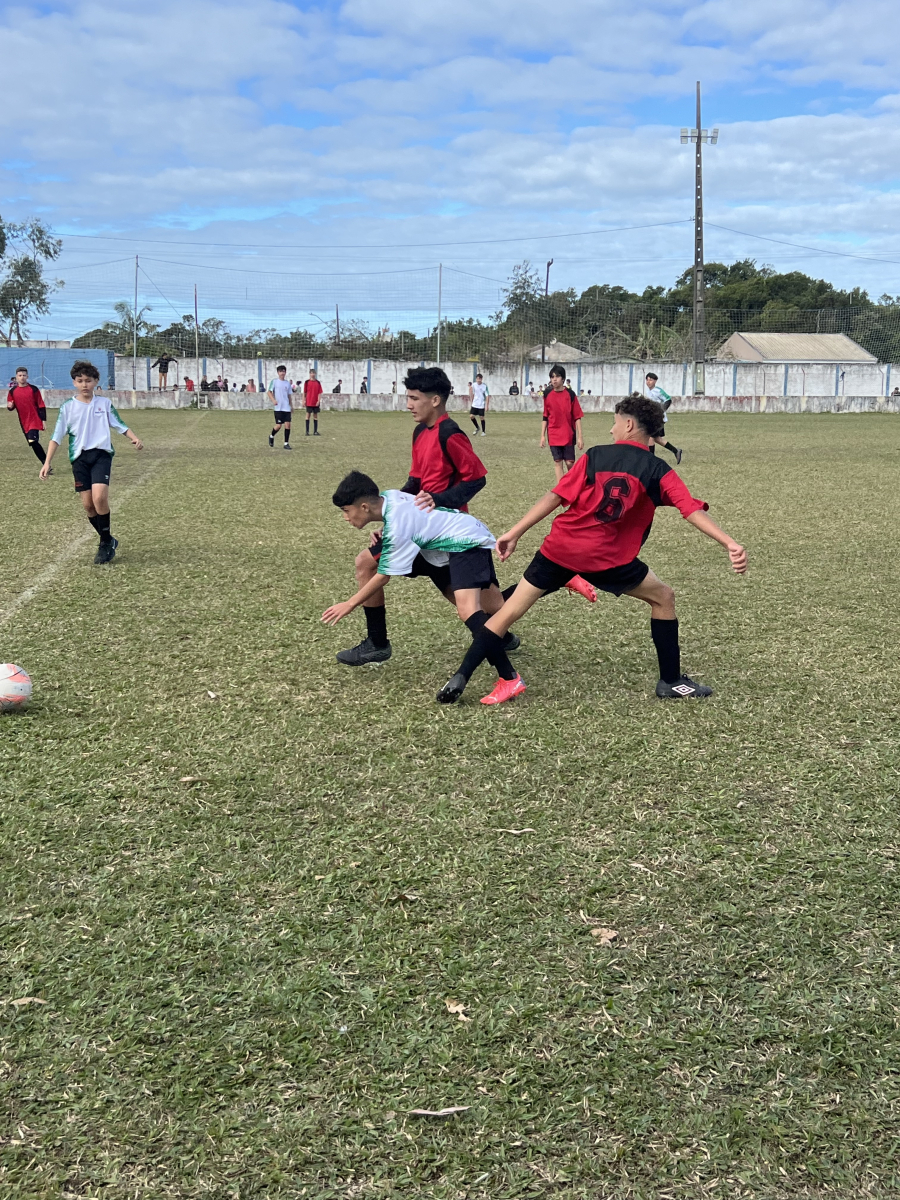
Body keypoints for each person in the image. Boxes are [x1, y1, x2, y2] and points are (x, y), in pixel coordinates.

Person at [435, 394, 747, 706]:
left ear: (628, 424)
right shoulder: (656, 469)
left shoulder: (595, 455)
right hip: (606, 558)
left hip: (559, 547)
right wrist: (729, 543)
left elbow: (556, 496)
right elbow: (690, 509)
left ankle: (462, 675)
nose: (611, 430)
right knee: (663, 597)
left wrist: (515, 532)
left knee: (508, 611)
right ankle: (671, 681)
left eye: (614, 423)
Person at [323, 471, 519, 704]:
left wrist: (350, 603)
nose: (345, 517)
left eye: (346, 511)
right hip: (442, 545)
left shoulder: (397, 522)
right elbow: (409, 515)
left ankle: (509, 678)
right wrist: (384, 529)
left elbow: (385, 575)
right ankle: (549, 579)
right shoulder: (389, 498)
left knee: (470, 610)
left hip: (465, 541)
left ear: (364, 507)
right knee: (495, 606)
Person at [39, 360, 144, 565]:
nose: (84, 384)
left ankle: (104, 545)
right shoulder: (68, 407)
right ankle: (108, 540)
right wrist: (46, 462)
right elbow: (56, 436)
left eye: (88, 380)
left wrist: (133, 437)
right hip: (79, 459)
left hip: (101, 455)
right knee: (88, 506)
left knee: (99, 499)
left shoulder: (103, 404)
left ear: (96, 381)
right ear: (74, 382)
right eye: (80, 381)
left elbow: (119, 424)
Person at [541, 363, 584, 483]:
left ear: (563, 379)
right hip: (553, 433)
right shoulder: (547, 394)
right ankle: (561, 489)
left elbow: (577, 416)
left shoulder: (570, 394)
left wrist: (580, 437)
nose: (554, 379)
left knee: (570, 462)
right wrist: (542, 436)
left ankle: (573, 484)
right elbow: (545, 416)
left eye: (557, 376)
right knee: (557, 462)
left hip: (568, 434)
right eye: (552, 377)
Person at [7, 366, 49, 467]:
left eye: (24, 375)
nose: (22, 377)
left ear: (27, 376)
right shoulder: (12, 391)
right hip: (23, 422)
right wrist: (10, 406)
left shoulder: (33, 389)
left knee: (33, 440)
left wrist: (43, 420)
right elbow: (10, 405)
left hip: (35, 420)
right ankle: (46, 462)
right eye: (20, 375)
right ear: (16, 377)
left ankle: (46, 464)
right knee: (33, 443)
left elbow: (41, 405)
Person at [644, 373, 682, 463]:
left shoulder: (658, 391)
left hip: (658, 418)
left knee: (650, 437)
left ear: (655, 381)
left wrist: (662, 410)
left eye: (651, 380)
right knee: (656, 438)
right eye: (647, 380)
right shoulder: (647, 391)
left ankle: (651, 460)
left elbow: (668, 399)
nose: (648, 382)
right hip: (652, 417)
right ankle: (676, 451)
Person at [267, 365, 296, 449]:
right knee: (279, 425)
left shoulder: (287, 383)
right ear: (278, 373)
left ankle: (286, 443)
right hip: (278, 408)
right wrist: (273, 400)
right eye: (280, 371)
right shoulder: (275, 382)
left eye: (283, 371)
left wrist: (291, 406)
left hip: (286, 407)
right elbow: (269, 392)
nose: (282, 373)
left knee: (288, 425)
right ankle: (271, 436)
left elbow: (289, 396)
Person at [304, 368, 324, 435]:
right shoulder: (307, 382)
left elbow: (319, 392)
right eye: (311, 373)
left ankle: (315, 431)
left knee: (315, 416)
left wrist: (318, 400)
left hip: (315, 402)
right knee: (307, 416)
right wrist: (303, 400)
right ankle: (307, 431)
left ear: (315, 374)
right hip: (309, 401)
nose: (312, 374)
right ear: (309, 374)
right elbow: (305, 392)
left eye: (313, 373)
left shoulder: (318, 383)